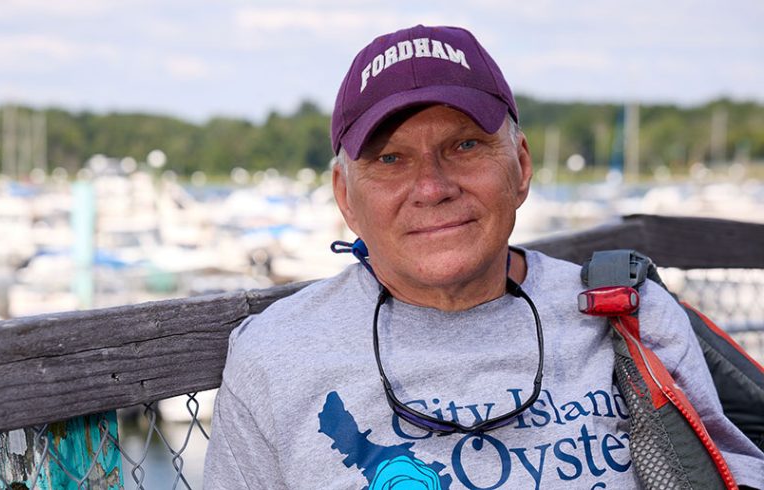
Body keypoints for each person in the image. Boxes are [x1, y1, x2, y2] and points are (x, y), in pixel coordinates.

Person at [202, 24, 764, 489]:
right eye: (391, 159)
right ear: (345, 195)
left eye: (465, 145)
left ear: (520, 165)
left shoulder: (630, 313)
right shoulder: (274, 358)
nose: (432, 186)